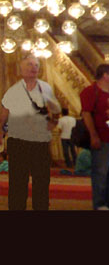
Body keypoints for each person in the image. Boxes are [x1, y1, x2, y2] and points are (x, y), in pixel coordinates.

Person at [1, 54, 60, 210]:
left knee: (41, 182)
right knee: (18, 183)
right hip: (18, 142)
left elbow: (56, 109)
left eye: (35, 65)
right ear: (20, 69)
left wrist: (53, 122)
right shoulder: (13, 91)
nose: (33, 68)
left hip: (40, 143)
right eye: (29, 64)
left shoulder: (45, 88)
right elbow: (3, 115)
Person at [81, 62, 109, 210]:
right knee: (100, 171)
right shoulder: (90, 91)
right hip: (102, 137)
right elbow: (86, 114)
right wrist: (93, 136)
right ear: (105, 75)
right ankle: (99, 203)